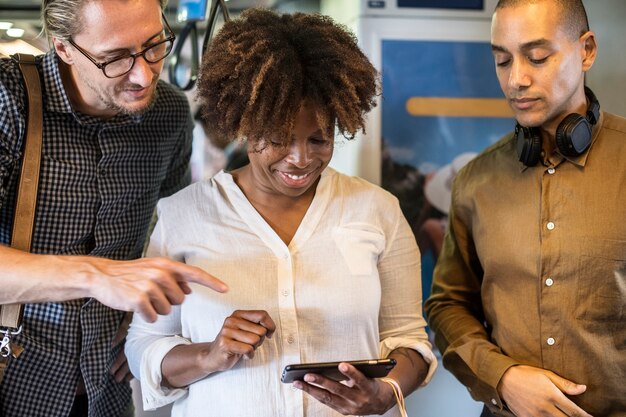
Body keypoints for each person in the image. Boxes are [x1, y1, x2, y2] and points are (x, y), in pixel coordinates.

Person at [125, 8, 437, 417]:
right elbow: (144, 345)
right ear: (244, 123)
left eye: (319, 139)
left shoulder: (377, 209)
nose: (301, 159)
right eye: (278, 139)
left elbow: (408, 338)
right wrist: (209, 355)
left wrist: (387, 390)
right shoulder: (185, 214)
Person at [0, 1, 228, 416]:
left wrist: (145, 327)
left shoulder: (170, 115)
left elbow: (167, 234)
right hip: (15, 378)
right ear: (64, 48)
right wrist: (97, 276)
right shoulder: (9, 101)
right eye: (115, 58)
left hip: (105, 389)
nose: (143, 74)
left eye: (154, 45)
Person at [424, 1, 626, 416]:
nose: (516, 79)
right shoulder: (475, 181)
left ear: (586, 50)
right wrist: (502, 377)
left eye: (537, 57)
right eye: (502, 60)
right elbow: (448, 305)